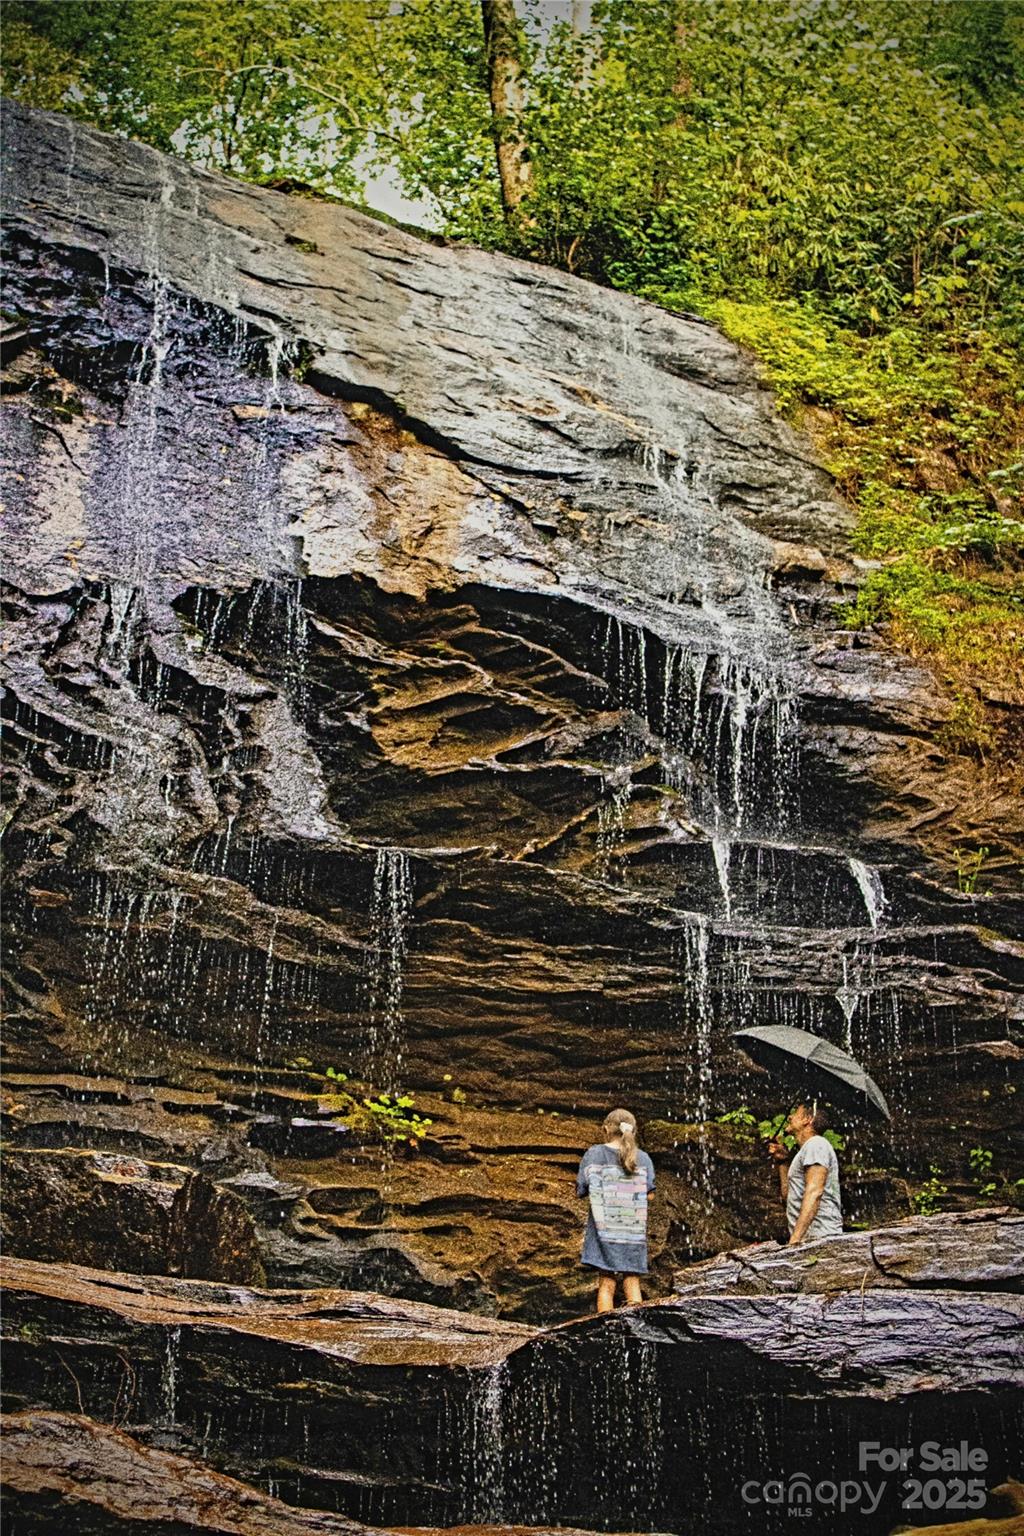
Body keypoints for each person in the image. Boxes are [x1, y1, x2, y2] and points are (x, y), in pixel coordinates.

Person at [576, 1108, 655, 1312]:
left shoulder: (594, 1154)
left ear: (605, 1129)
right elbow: (650, 1194)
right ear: (633, 1132)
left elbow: (582, 1189)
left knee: (606, 1283)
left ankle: (606, 1333)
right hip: (633, 1233)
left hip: (604, 1233)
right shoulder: (644, 1159)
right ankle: (639, 1336)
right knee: (632, 1281)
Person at [767, 1101, 843, 1245]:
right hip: (811, 1240)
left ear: (807, 1120)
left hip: (822, 1239)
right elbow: (789, 1197)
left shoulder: (817, 1144)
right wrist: (783, 1162)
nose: (789, 1117)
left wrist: (795, 1240)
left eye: (795, 1113)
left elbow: (814, 1192)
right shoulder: (806, 1150)